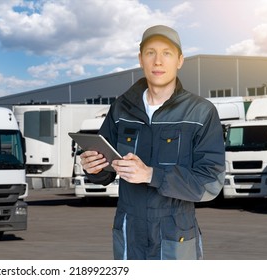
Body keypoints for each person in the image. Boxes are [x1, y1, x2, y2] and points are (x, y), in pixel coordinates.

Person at [79, 25, 225, 260]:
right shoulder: (121, 107)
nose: (158, 61)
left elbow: (210, 182)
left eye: (167, 53)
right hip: (129, 231)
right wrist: (93, 167)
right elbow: (104, 171)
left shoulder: (201, 112)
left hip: (174, 232)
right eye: (150, 53)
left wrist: (151, 175)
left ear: (179, 60)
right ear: (140, 59)